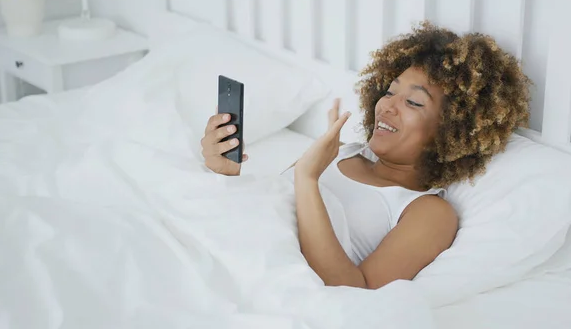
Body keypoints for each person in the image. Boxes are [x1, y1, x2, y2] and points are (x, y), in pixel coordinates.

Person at [200, 22, 531, 290]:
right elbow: (268, 213)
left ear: (453, 131)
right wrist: (224, 173)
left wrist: (308, 177)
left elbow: (354, 293)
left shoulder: (429, 212)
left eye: (414, 103)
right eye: (389, 91)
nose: (387, 106)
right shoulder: (339, 152)